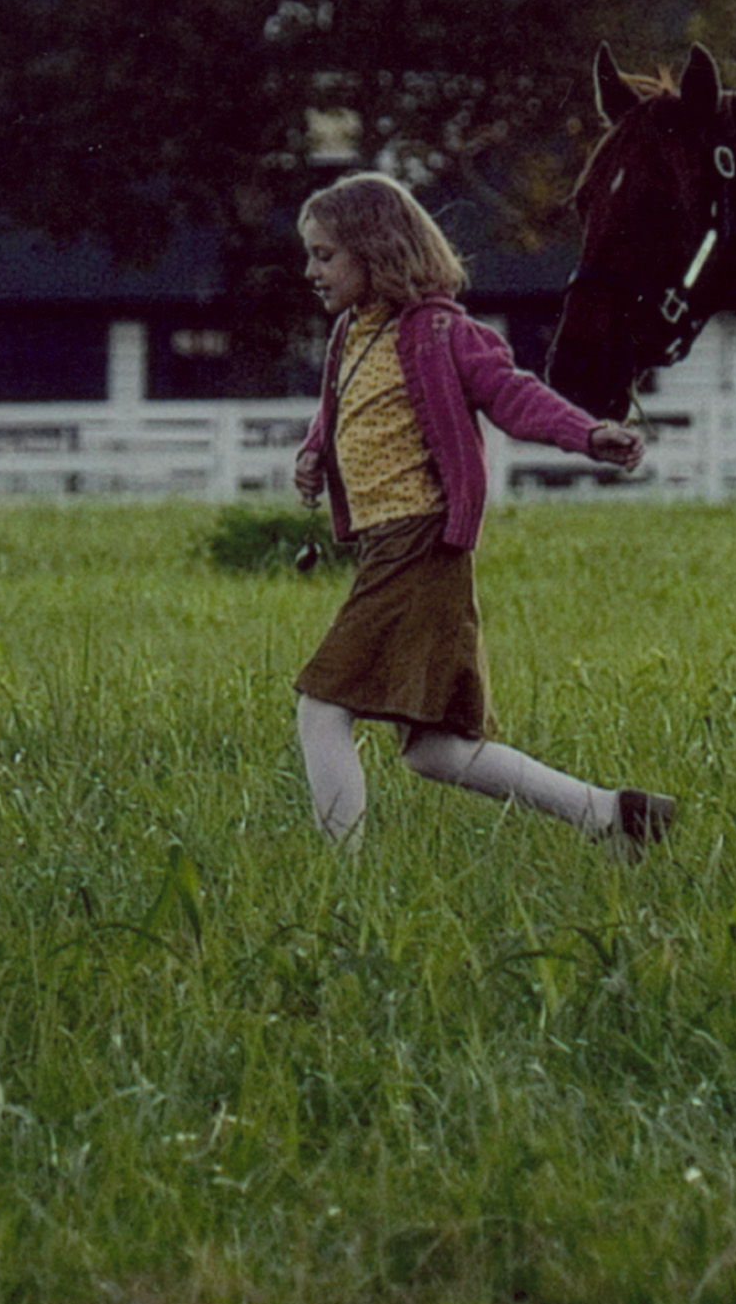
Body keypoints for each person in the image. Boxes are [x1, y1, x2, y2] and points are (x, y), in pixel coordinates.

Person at [288, 172, 676, 851]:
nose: (311, 270)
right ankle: (614, 814)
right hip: (387, 546)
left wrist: (587, 432)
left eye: (324, 255)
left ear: (375, 250)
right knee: (433, 749)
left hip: (422, 541)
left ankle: (335, 884)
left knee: (321, 708)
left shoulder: (439, 330)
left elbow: (510, 392)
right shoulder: (352, 334)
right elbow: (343, 406)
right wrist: (316, 450)